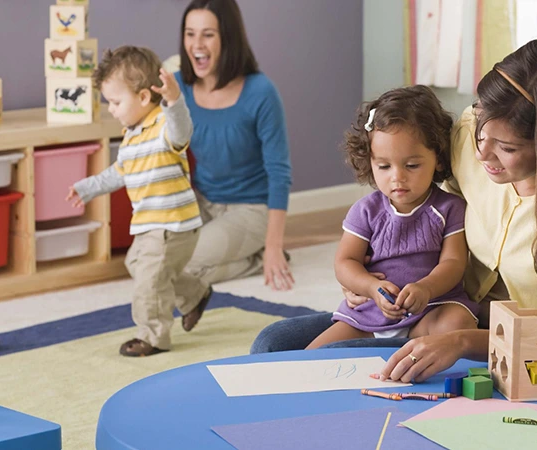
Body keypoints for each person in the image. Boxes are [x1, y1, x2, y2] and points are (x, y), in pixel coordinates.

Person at [252, 38, 537, 383]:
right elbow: (421, 201)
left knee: (326, 363)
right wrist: (364, 277)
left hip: (519, 351)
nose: (482, 153)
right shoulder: (471, 137)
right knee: (273, 343)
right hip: (438, 311)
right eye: (482, 131)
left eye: (506, 148)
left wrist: (460, 342)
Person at [306, 86, 479, 349]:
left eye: (412, 165)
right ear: (369, 161)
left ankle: (414, 349)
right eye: (384, 166)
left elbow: (454, 262)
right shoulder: (366, 210)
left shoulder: (450, 207)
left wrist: (426, 288)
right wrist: (370, 288)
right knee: (312, 356)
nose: (397, 177)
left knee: (458, 323)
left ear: (438, 158)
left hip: (431, 310)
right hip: (368, 318)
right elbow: (345, 262)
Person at [67, 46, 212, 357]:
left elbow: (182, 130)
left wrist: (174, 101)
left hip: (171, 224)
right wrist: (87, 187)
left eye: (116, 102)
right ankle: (194, 294)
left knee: (150, 281)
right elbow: (118, 172)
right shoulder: (131, 136)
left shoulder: (163, 127)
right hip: (150, 225)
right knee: (137, 264)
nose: (111, 109)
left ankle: (153, 336)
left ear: (144, 97)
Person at [176, 0, 294, 290]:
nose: (196, 44)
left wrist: (274, 246)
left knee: (182, 265)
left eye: (208, 34)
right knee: (148, 259)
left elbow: (279, 174)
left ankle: (258, 256)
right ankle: (248, 257)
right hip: (202, 202)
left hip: (251, 210)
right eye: (190, 34)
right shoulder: (179, 88)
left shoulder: (261, 92)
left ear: (228, 38)